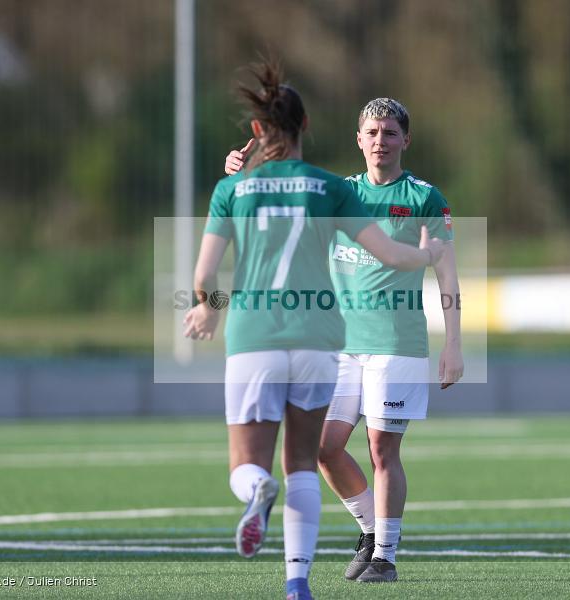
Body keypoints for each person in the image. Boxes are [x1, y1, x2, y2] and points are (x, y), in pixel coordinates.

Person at [186, 62, 446, 600]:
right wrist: (425, 254)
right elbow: (391, 253)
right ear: (307, 125)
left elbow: (205, 276)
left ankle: (264, 493)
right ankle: (298, 582)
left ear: (257, 131)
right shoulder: (332, 190)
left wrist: (209, 309)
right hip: (320, 343)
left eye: (388, 132)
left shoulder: (233, 189)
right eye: (371, 133)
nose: (380, 141)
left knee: (255, 463)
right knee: (310, 458)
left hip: (257, 337)